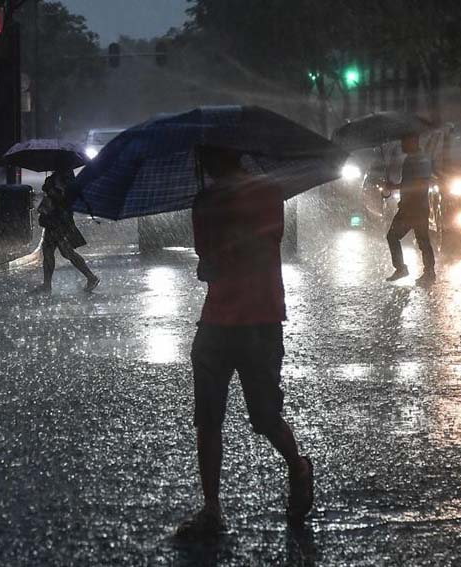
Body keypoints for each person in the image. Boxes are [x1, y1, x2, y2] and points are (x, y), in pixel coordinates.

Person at [175, 146, 313, 539]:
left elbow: (209, 261)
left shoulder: (213, 199)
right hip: (235, 318)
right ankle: (214, 505)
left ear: (206, 161)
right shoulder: (266, 192)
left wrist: (216, 220)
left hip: (250, 318)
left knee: (246, 416)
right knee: (215, 417)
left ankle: (295, 468)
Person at [35, 168, 99, 293]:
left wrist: (51, 188)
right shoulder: (59, 175)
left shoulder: (66, 177)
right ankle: (47, 285)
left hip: (60, 220)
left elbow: (63, 197)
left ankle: (91, 277)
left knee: (65, 252)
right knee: (49, 251)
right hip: (53, 219)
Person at [385, 134, 436, 285]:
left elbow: (419, 184)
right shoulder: (412, 159)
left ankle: (409, 269)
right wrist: (395, 187)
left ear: (413, 141)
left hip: (415, 208)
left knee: (411, 239)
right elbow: (410, 182)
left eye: (404, 141)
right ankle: (427, 272)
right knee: (421, 240)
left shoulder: (420, 160)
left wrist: (396, 187)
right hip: (411, 207)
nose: (402, 145)